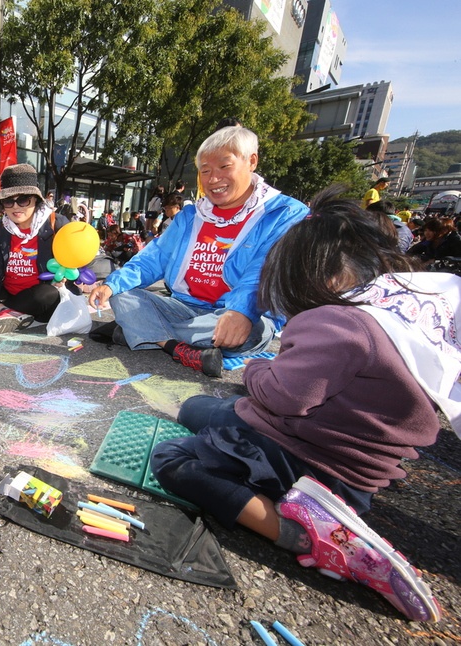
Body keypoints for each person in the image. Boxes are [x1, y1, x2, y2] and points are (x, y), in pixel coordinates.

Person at [150, 190, 447, 623]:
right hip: (358, 470)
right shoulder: (407, 312)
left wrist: (255, 371)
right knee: (195, 408)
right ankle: (322, 509)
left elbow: (280, 395)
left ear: (316, 276)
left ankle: (299, 533)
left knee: (173, 458)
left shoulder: (336, 322)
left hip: (305, 456)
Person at [88, 126, 308, 377]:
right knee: (122, 295)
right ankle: (173, 347)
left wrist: (241, 311)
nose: (213, 179)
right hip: (183, 308)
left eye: (224, 167)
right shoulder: (192, 215)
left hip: (238, 313)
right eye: (205, 171)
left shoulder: (285, 214)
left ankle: (136, 331)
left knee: (251, 331)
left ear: (252, 161)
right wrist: (112, 285)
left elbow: (264, 272)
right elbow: (153, 258)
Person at [0, 163, 71, 334]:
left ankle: (1, 310)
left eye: (23, 200)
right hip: (8, 293)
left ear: (35, 199)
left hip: (39, 296)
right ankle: (2, 311)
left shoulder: (56, 224)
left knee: (47, 293)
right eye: (8, 201)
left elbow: (76, 261)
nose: (15, 207)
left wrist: (66, 278)